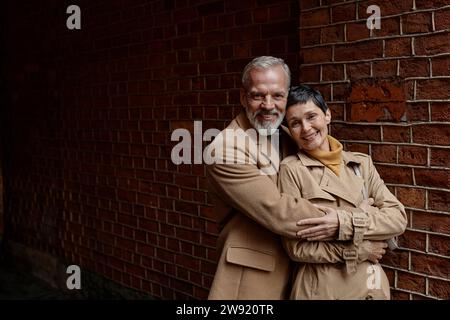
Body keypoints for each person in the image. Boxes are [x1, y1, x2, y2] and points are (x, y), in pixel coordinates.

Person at [206, 56, 388, 300]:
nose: (268, 105)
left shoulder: (290, 132)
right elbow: (281, 211)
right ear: (243, 97)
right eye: (258, 95)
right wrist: (355, 218)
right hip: (255, 273)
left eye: (278, 95)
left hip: (306, 269)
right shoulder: (225, 149)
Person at [279, 85, 407, 300]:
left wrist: (341, 222)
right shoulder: (291, 169)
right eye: (295, 123)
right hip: (321, 288)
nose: (306, 128)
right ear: (290, 130)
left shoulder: (360, 164)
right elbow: (297, 248)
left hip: (370, 286)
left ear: (327, 115)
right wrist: (360, 249)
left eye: (312, 117)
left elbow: (397, 219)